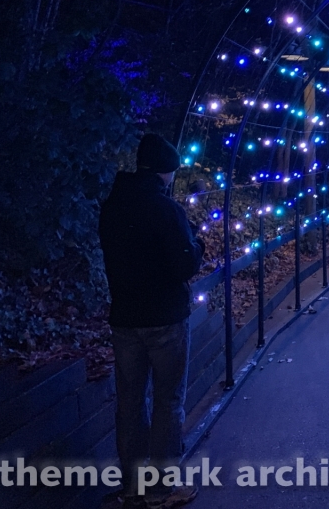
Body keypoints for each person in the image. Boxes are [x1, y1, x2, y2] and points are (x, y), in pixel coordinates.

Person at [99, 134, 205, 508]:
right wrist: (198, 244)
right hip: (164, 318)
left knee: (129, 401)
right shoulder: (165, 209)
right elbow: (184, 264)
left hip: (124, 318)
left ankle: (131, 485)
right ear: (166, 171)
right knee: (167, 400)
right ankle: (161, 488)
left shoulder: (112, 206)